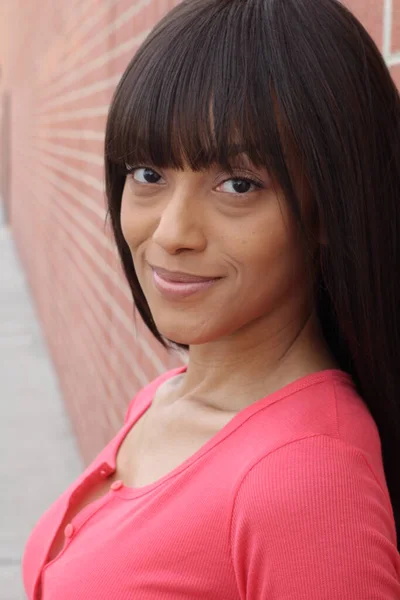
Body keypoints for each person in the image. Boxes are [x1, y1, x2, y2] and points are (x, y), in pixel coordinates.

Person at [22, 0, 400, 598]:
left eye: (238, 185)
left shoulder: (305, 482)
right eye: (148, 174)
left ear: (330, 205)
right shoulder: (165, 394)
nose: (172, 232)